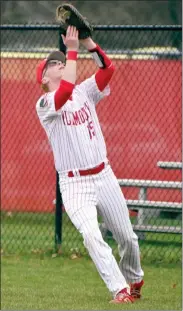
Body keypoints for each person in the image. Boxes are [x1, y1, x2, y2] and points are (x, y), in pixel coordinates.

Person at [35, 25, 144, 304]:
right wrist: (71, 50)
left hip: (103, 175)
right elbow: (65, 91)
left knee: (127, 238)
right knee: (91, 235)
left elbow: (108, 70)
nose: (59, 64)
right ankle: (119, 290)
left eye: (61, 61)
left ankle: (133, 278)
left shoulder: (84, 91)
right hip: (74, 184)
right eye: (53, 64)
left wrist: (88, 43)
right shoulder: (45, 103)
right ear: (44, 77)